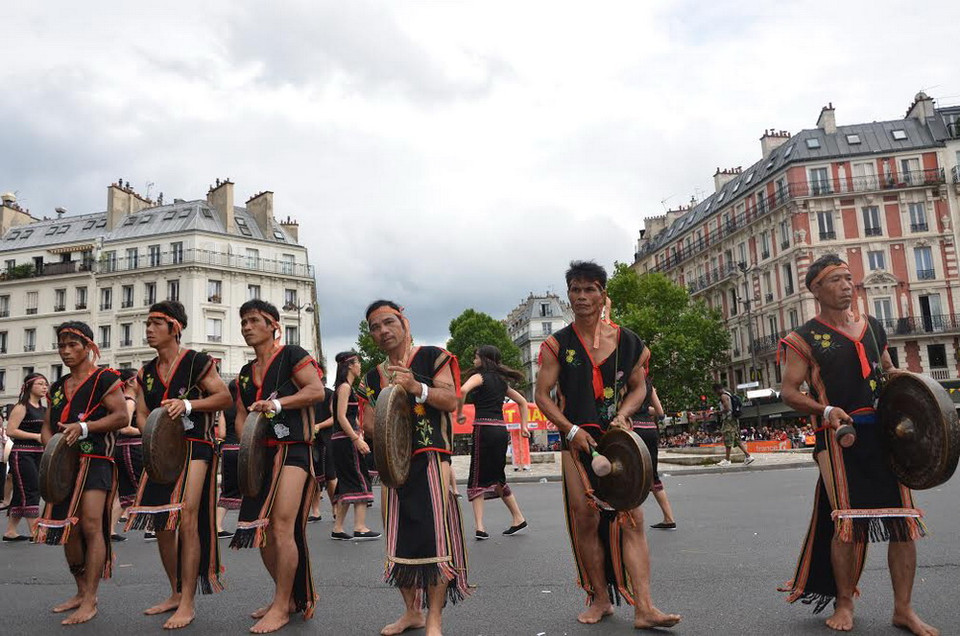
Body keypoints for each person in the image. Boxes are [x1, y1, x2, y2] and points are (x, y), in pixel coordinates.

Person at [779, 254, 936, 635]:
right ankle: (845, 603)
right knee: (846, 522)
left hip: (884, 433)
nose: (847, 285)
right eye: (836, 280)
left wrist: (910, 384)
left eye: (849, 278)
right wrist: (826, 408)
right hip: (836, 438)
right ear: (816, 288)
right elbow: (788, 391)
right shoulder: (802, 338)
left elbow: (885, 370)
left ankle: (904, 610)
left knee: (903, 523)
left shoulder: (873, 326)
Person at [535, 261, 680, 629]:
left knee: (633, 519)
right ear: (569, 295)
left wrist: (625, 413)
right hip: (577, 441)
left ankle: (645, 607)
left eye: (590, 289)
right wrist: (568, 431)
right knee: (586, 519)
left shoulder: (629, 341)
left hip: (618, 441)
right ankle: (600, 598)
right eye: (575, 290)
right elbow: (542, 395)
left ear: (602, 294)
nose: (582, 297)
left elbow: (639, 387)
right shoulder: (557, 344)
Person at [360, 300, 469, 636]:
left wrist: (416, 389)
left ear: (404, 323)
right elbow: (366, 422)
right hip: (393, 465)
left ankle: (434, 618)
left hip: (431, 457)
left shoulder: (432, 357)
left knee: (434, 540)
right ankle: (412, 612)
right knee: (397, 538)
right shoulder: (372, 376)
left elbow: (451, 400)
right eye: (374, 327)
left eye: (388, 322)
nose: (382, 331)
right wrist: (390, 428)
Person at [125, 301, 232, 629]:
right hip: (162, 453)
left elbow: (224, 398)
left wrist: (188, 404)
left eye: (156, 323)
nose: (148, 329)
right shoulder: (145, 371)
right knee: (160, 523)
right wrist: (156, 436)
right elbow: (142, 413)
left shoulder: (197, 362)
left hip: (196, 447)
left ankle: (187, 602)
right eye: (147, 324)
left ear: (176, 328)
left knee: (186, 519)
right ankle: (175, 591)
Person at [230, 299, 325, 634]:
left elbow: (315, 391)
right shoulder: (244, 374)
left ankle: (284, 605)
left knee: (282, 526)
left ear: (273, 325)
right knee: (262, 529)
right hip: (262, 457)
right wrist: (249, 448)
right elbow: (242, 417)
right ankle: (285, 597)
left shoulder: (292, 354)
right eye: (243, 322)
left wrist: (277, 404)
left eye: (253, 320)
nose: (246, 327)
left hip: (293, 449)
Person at [35, 321, 128, 625]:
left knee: (90, 525)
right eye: (62, 345)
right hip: (65, 466)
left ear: (88, 346)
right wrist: (53, 448)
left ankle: (90, 598)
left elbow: (120, 416)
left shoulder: (105, 379)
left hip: (96, 459)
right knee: (69, 529)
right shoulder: (59, 386)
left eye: (73, 345)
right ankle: (80, 590)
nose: (66, 351)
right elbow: (48, 425)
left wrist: (85, 427)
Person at [456, 345, 529, 539]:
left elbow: (462, 390)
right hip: (500, 430)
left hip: (484, 429)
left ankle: (480, 527)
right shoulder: (501, 382)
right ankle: (518, 517)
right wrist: (524, 426)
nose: (473, 360)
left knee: (477, 476)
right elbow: (522, 402)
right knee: (497, 476)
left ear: (484, 359)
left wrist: (461, 413)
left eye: (476, 357)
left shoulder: (480, 377)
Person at [330, 351, 379, 540]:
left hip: (341, 438)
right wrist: (356, 438)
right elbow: (341, 416)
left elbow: (343, 416)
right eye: (358, 362)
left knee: (346, 483)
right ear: (350, 365)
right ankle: (360, 527)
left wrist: (359, 429)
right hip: (345, 439)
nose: (360, 366)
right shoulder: (344, 388)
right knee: (360, 478)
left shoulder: (342, 388)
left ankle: (338, 528)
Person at [4, 373, 47, 541]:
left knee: (20, 493)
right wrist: (35, 436)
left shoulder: (44, 409)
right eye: (40, 384)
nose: (44, 387)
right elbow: (11, 431)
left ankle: (10, 531)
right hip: (22, 453)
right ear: (30, 386)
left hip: (38, 454)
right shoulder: (21, 407)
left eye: (46, 384)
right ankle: (36, 532)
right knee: (31, 490)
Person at [632, 381, 677, 530]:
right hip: (650, 430)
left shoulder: (625, 379)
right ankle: (669, 518)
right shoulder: (649, 385)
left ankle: (631, 519)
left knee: (632, 475)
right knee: (652, 475)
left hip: (634, 429)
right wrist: (644, 409)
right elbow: (660, 412)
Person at [109, 368, 142, 541]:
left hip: (126, 448)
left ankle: (109, 529)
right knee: (144, 486)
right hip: (131, 448)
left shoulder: (127, 401)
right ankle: (153, 527)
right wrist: (146, 430)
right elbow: (124, 428)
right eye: (139, 379)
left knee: (125, 493)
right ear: (130, 382)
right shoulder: (129, 402)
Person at [309, 368, 336, 523]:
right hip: (311, 441)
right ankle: (315, 511)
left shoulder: (330, 394)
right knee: (314, 478)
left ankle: (335, 508)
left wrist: (318, 426)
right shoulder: (307, 396)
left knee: (331, 477)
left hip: (327, 439)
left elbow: (335, 418)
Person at [216, 379, 241, 538]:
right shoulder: (245, 407)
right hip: (243, 449)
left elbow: (222, 433)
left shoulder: (225, 409)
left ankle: (217, 526)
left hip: (228, 450)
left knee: (228, 489)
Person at [712, 384, 755, 467]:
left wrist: (717, 412)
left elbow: (727, 409)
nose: (715, 394)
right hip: (734, 420)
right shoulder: (729, 394)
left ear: (717, 390)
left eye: (715, 392)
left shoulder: (723, 396)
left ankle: (727, 460)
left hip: (729, 420)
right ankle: (748, 456)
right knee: (736, 439)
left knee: (727, 439)